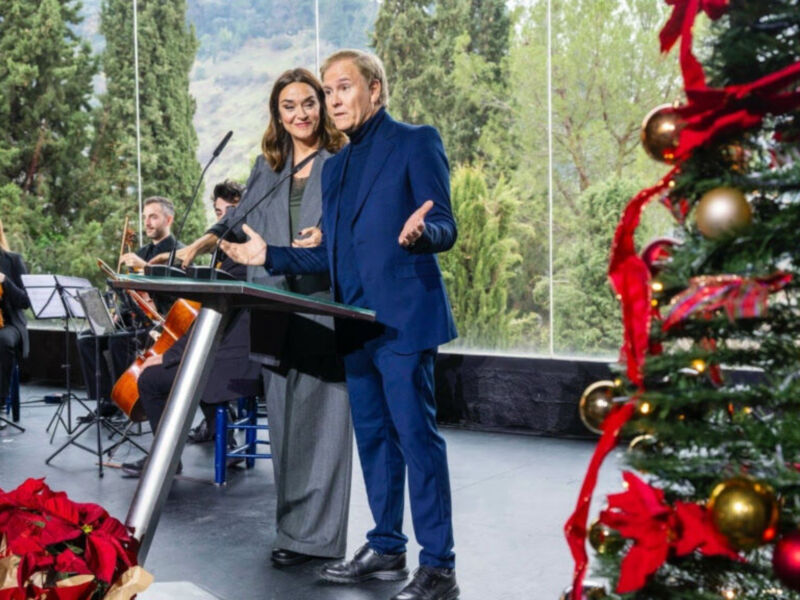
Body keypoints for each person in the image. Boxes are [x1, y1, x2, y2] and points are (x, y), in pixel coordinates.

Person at [220, 50, 459, 600]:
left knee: (416, 441)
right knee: (374, 440)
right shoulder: (339, 166)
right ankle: (386, 546)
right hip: (352, 324)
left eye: (343, 88)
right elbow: (327, 257)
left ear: (376, 90)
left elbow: (445, 224)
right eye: (328, 91)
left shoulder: (416, 141)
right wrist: (268, 254)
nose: (333, 100)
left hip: (404, 322)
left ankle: (439, 566)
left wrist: (423, 234)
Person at [165, 69, 354, 567]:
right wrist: (195, 246)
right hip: (272, 306)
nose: (300, 114)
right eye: (288, 106)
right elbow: (236, 219)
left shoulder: (343, 160)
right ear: (277, 114)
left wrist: (329, 238)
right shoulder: (266, 168)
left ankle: (317, 539)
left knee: (324, 426)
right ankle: (292, 531)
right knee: (288, 427)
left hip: (324, 307)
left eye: (308, 103)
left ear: (321, 106)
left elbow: (356, 224)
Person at [120, 184, 257, 477]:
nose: (223, 220)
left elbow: (213, 322)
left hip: (231, 362)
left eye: (229, 213)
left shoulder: (240, 263)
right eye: (218, 213)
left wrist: (171, 356)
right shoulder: (233, 258)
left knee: (150, 379)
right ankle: (220, 441)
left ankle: (166, 459)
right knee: (178, 370)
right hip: (229, 355)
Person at [76, 196, 182, 410]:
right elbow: (131, 292)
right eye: (145, 217)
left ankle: (125, 400)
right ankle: (105, 400)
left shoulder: (179, 253)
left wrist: (145, 267)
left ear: (169, 220)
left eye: (153, 217)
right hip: (134, 318)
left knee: (118, 341)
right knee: (86, 339)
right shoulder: (142, 251)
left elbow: (174, 295)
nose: (147, 223)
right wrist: (119, 310)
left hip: (160, 324)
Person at [0, 219, 30, 429]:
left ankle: (0, 403)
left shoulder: (13, 260)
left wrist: (5, 281)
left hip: (10, 324)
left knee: (2, 341)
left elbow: (26, 301)